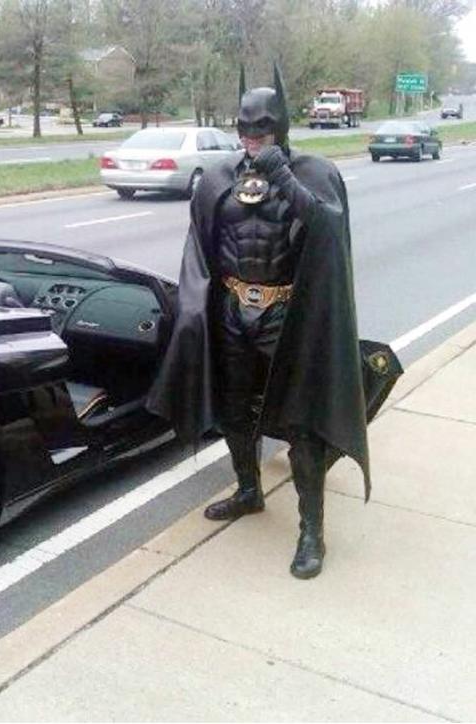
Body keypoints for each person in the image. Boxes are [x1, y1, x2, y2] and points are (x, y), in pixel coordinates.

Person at [146, 64, 370, 580]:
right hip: (231, 310)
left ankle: (311, 531)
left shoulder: (314, 175)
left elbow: (327, 233)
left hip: (288, 315)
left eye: (262, 132)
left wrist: (283, 176)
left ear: (282, 129)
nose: (252, 141)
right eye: (245, 132)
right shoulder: (220, 178)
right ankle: (249, 490)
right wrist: (195, 313)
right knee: (232, 413)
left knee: (300, 425)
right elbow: (201, 245)